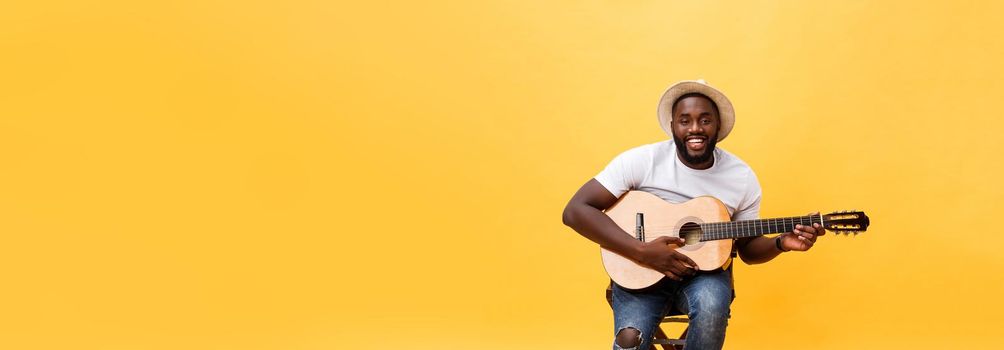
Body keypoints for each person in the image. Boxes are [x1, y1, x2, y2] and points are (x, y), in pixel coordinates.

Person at [561, 80, 825, 350]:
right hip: (640, 271)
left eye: (705, 120)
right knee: (630, 342)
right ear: (672, 126)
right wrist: (642, 251)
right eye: (685, 121)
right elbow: (575, 211)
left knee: (712, 309)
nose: (695, 128)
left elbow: (747, 249)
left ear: (718, 127)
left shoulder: (741, 177)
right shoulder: (642, 161)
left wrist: (780, 243)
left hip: (705, 275)